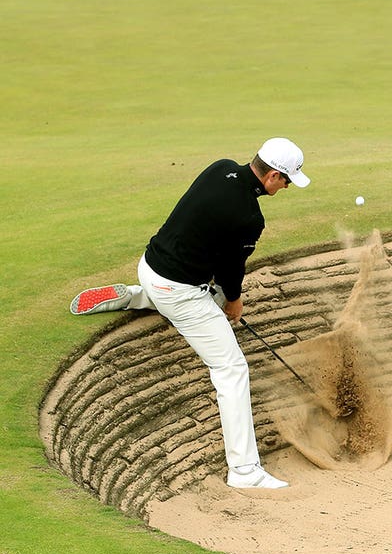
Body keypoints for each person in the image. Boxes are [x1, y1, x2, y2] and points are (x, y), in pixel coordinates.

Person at [69, 137, 311, 489]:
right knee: (231, 368)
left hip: (151, 267)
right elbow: (231, 270)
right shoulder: (248, 217)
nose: (287, 187)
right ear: (273, 176)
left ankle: (135, 297)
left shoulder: (221, 167)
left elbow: (203, 228)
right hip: (178, 291)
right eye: (287, 180)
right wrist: (234, 301)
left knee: (197, 299)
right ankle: (244, 471)